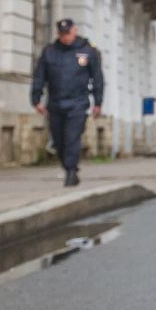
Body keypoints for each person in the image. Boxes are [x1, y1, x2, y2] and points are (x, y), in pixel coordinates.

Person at [30, 19, 105, 188]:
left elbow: (97, 78)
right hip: (55, 103)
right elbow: (40, 76)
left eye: (68, 33)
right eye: (62, 34)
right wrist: (36, 98)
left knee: (72, 137)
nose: (65, 37)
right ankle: (69, 167)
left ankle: (71, 172)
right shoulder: (50, 52)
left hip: (78, 103)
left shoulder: (87, 51)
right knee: (58, 140)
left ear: (74, 31)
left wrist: (98, 102)